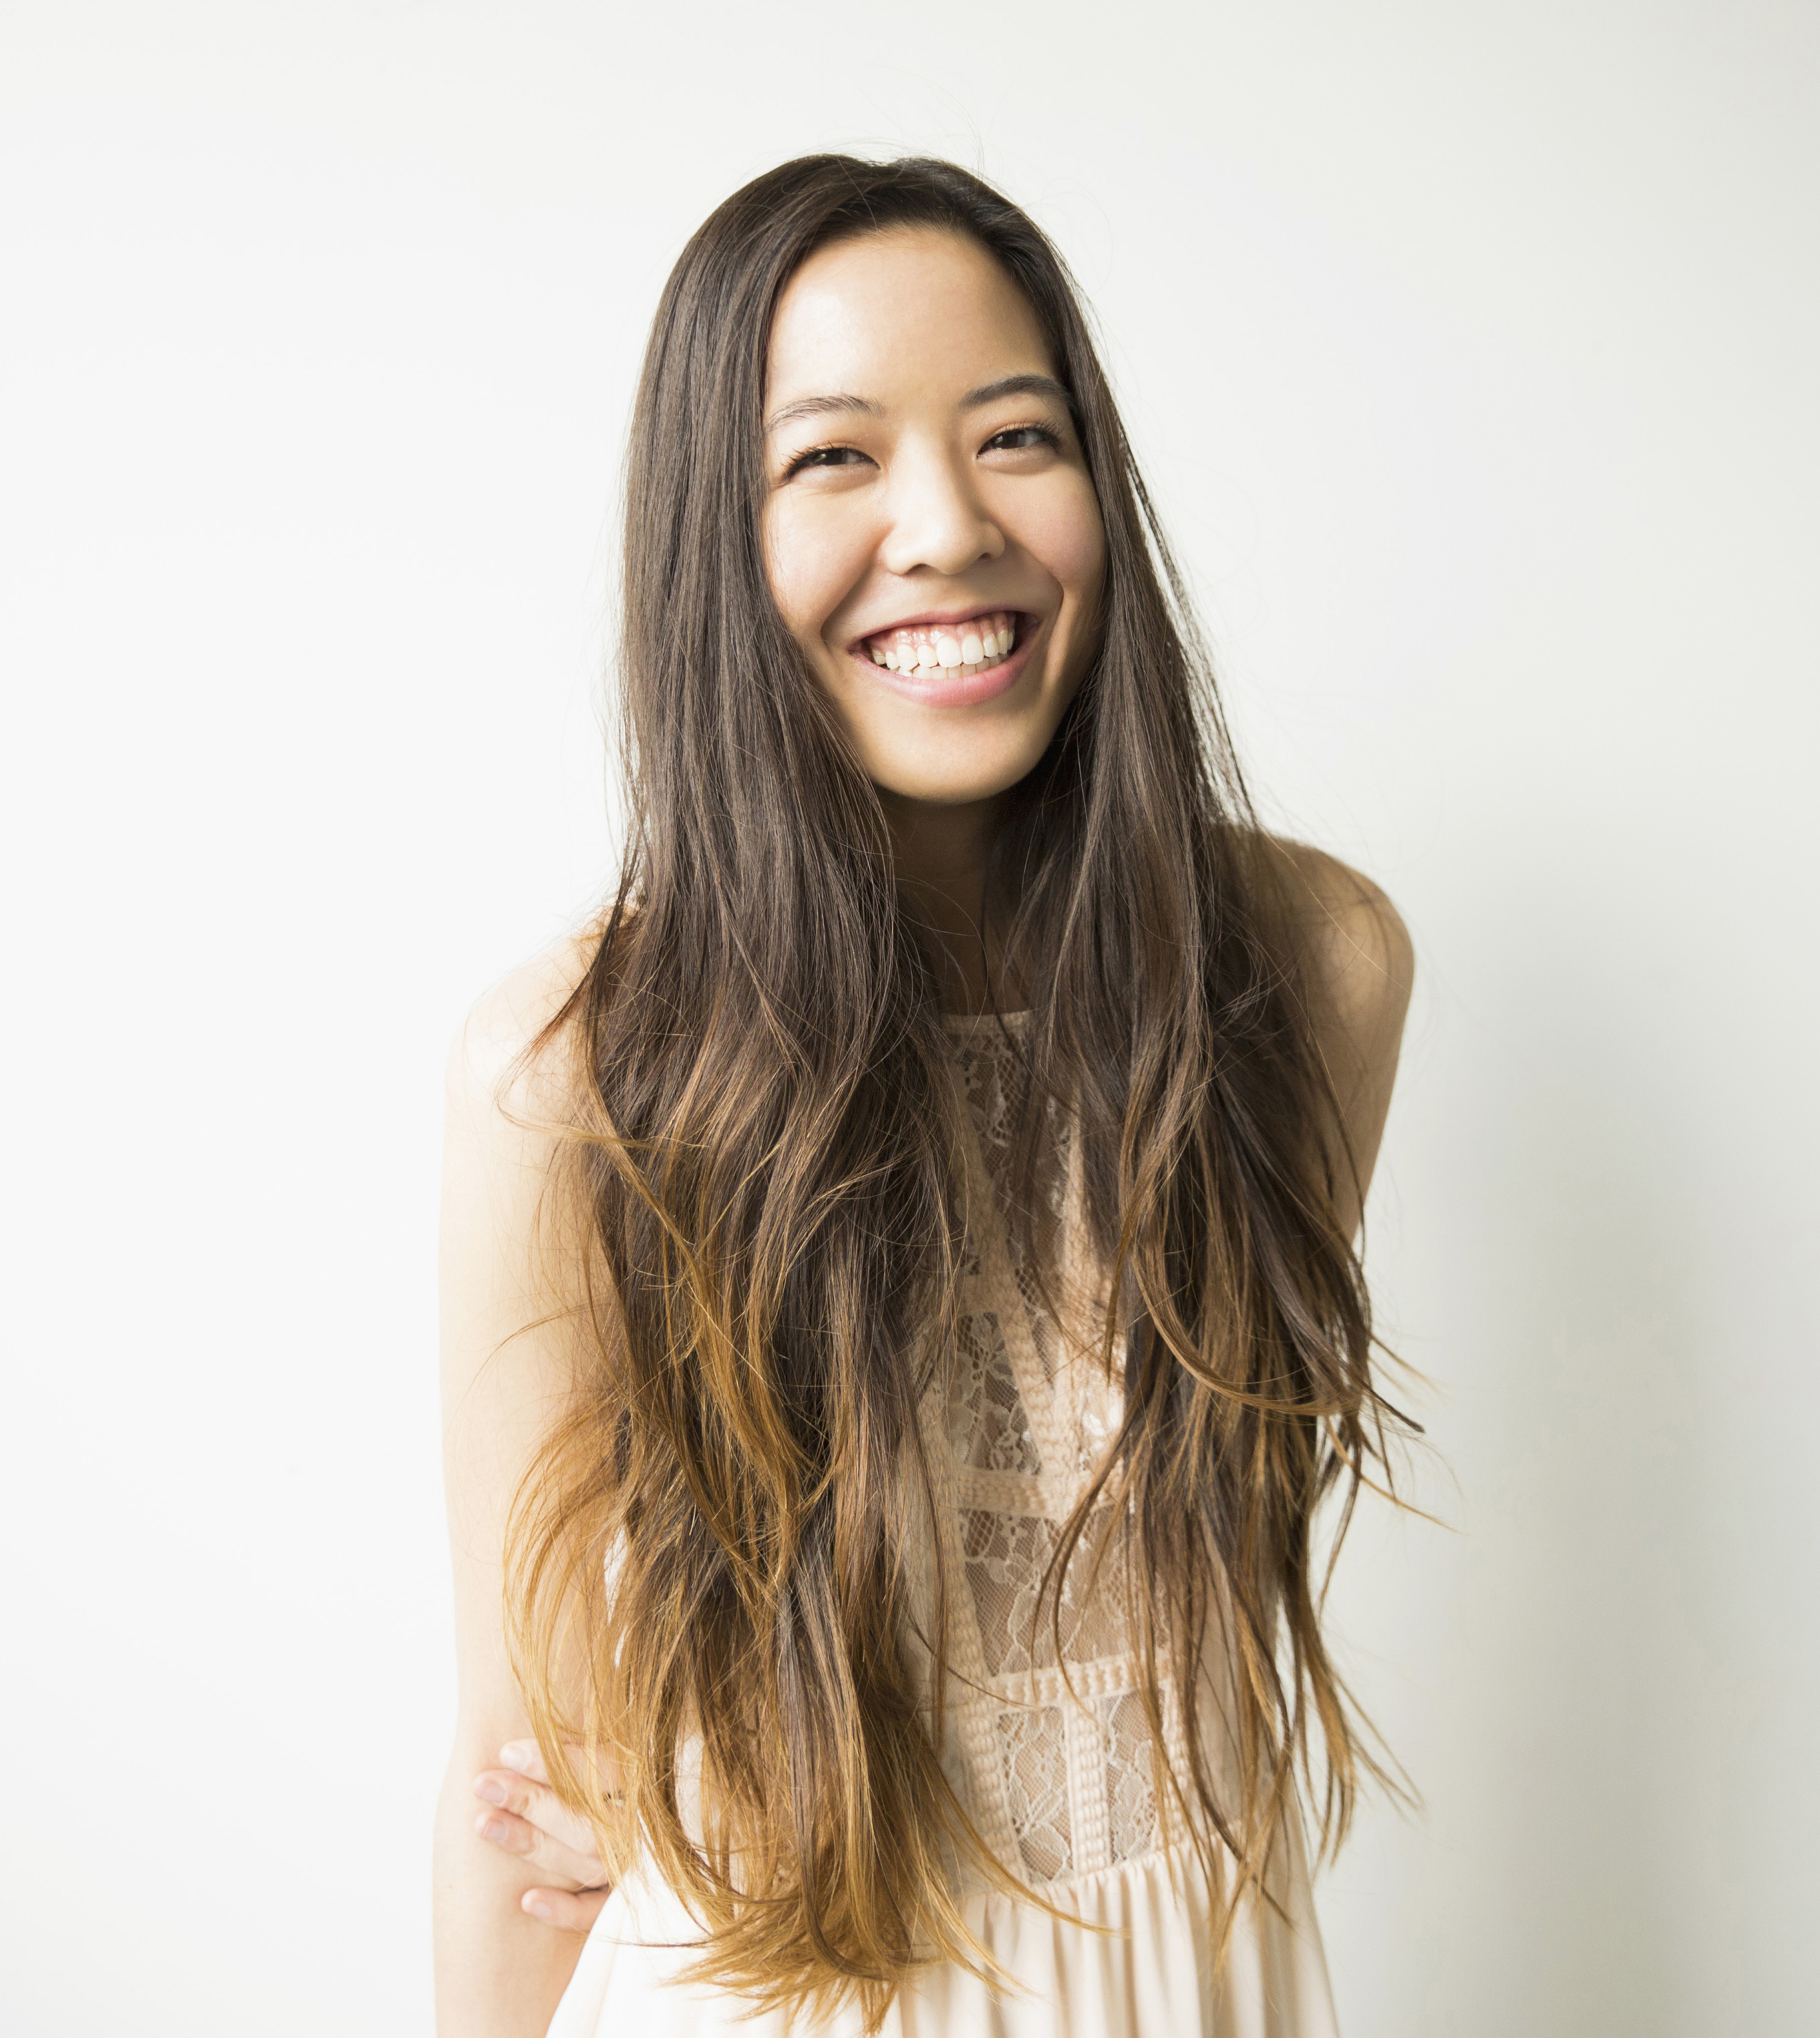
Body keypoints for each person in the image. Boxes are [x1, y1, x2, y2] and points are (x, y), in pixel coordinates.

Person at [432, 155, 1413, 2037]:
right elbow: (518, 1797)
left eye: (1014, 437)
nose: (948, 528)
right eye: (835, 458)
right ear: (715, 539)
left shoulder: (1311, 975)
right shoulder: (568, 1075)